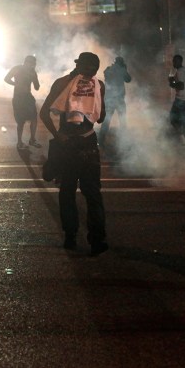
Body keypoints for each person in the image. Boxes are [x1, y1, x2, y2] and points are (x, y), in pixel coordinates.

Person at [39, 51, 108, 255]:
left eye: (93, 70)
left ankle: (81, 237)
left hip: (75, 143)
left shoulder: (92, 84)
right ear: (79, 66)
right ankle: (86, 238)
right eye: (89, 69)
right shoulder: (83, 84)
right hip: (78, 143)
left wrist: (59, 136)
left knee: (77, 191)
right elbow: (101, 117)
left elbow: (101, 116)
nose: (91, 73)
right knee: (83, 192)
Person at [4, 55, 42, 149]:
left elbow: (37, 88)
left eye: (34, 64)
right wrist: (16, 84)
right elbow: (6, 78)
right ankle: (19, 142)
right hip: (18, 98)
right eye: (31, 63)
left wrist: (35, 78)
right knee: (20, 121)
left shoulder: (32, 72)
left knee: (34, 118)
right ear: (26, 62)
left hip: (28, 98)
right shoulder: (17, 68)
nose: (33, 65)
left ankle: (32, 140)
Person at [98, 56, 131, 145]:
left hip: (109, 99)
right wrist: (125, 69)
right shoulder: (121, 69)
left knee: (106, 121)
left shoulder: (108, 69)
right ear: (121, 63)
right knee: (123, 121)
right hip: (119, 99)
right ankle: (124, 142)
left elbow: (106, 76)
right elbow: (128, 79)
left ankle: (101, 141)